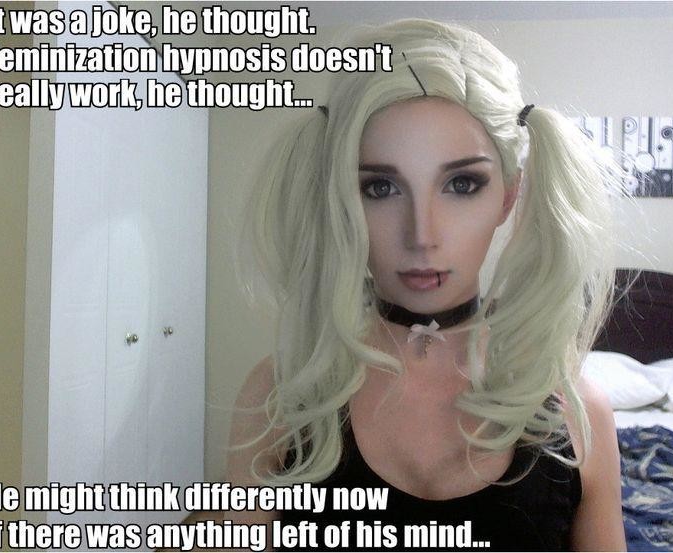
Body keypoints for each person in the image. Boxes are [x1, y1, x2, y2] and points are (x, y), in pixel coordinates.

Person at [226, 18, 626, 551]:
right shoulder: (283, 395)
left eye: (462, 184)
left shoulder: (579, 415)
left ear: (508, 195)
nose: (422, 235)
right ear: (343, 199)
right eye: (381, 187)